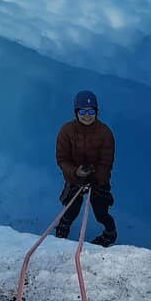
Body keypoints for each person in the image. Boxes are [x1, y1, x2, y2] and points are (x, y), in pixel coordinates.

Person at [54, 89, 117, 246]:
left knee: (101, 212)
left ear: (96, 111)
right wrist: (76, 173)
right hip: (75, 177)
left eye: (90, 111)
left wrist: (95, 179)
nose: (87, 115)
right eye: (82, 111)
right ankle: (63, 228)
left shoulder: (105, 133)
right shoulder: (66, 131)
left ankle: (110, 233)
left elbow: (106, 162)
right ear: (76, 112)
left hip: (98, 179)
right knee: (71, 208)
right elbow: (62, 159)